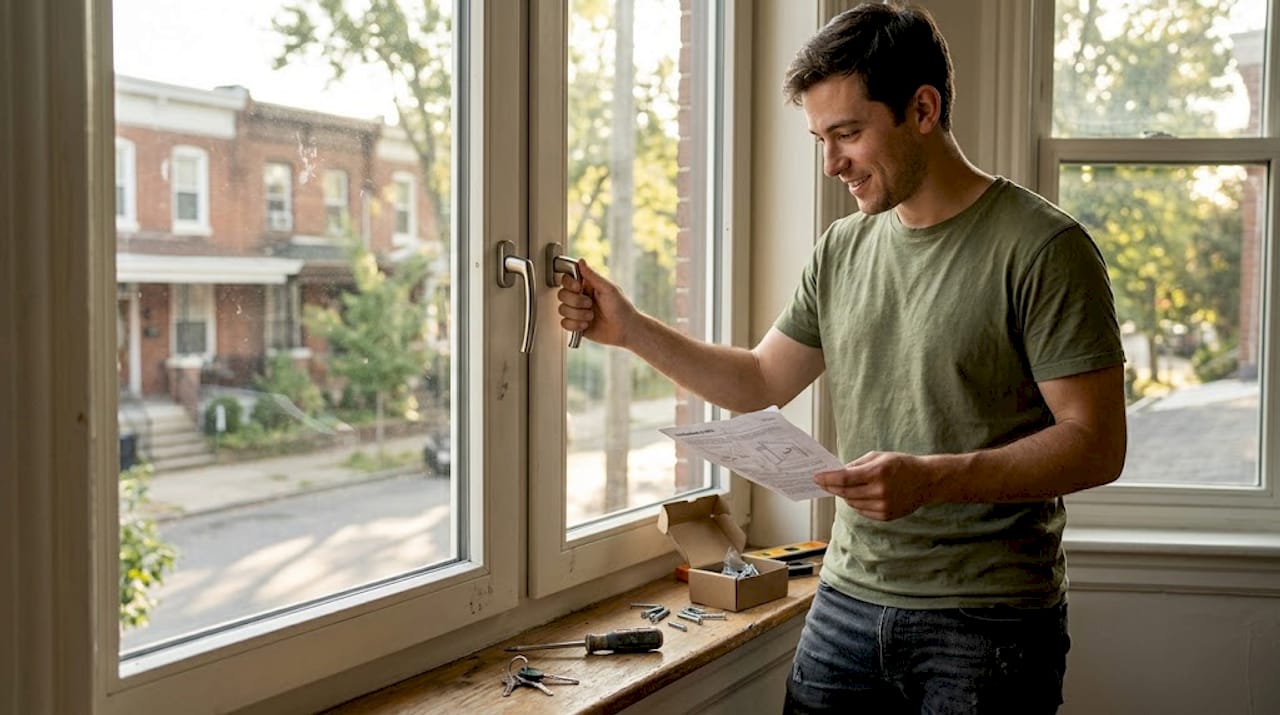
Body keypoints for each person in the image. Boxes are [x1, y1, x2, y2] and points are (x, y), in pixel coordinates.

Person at [556, 2, 1126, 713]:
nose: (831, 165)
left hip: (990, 620)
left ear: (922, 108)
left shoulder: (1044, 248)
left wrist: (933, 480)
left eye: (848, 134)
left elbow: (1096, 445)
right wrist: (632, 328)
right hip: (847, 601)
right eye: (820, 139)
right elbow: (759, 379)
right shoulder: (842, 249)